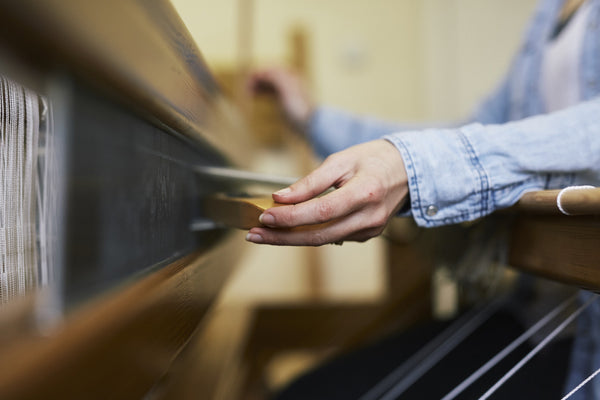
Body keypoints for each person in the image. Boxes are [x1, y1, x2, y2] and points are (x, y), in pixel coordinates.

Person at [248, 0, 600, 398]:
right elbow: (472, 134)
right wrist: (313, 119)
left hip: (588, 354)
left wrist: (415, 167)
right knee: (306, 392)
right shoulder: (548, 14)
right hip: (534, 316)